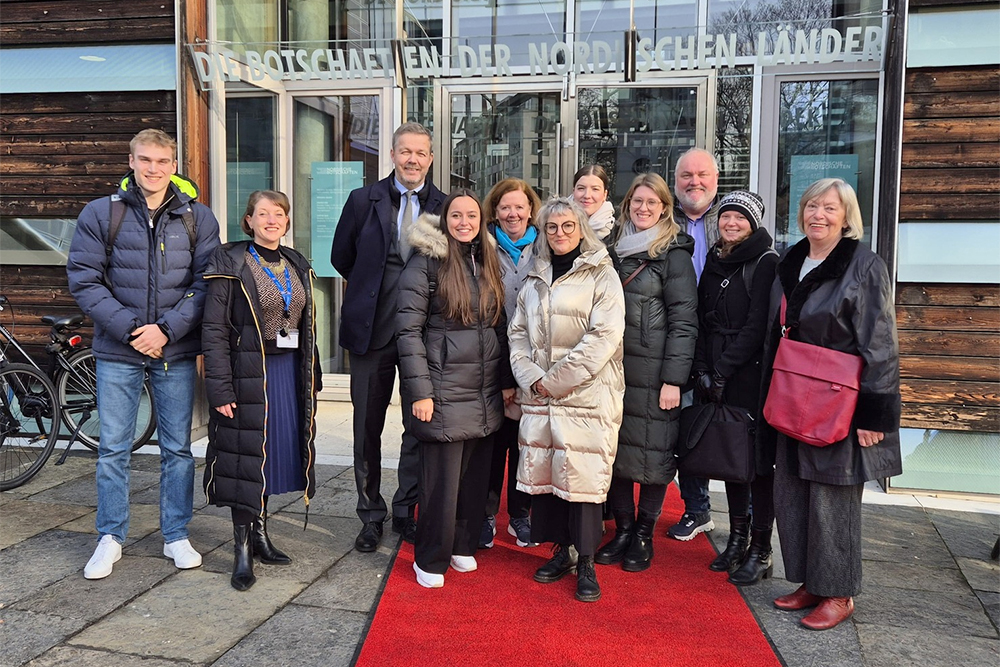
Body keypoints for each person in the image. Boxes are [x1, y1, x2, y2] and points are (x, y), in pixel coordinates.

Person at [67, 128, 220, 579]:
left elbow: (207, 283)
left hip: (174, 350)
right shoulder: (101, 213)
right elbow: (84, 280)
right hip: (118, 350)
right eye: (146, 160)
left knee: (177, 448)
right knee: (113, 447)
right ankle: (110, 537)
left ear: (174, 165)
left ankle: (176, 534)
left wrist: (167, 330)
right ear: (131, 162)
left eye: (162, 161)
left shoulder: (198, 218)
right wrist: (135, 330)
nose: (154, 169)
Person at [762, 178, 900, 630]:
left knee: (833, 498)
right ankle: (811, 581)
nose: (818, 214)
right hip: (794, 392)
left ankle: (838, 593)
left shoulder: (864, 264)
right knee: (795, 491)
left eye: (829, 208)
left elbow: (880, 341)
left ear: (846, 217)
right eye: (811, 206)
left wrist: (874, 414)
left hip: (840, 400)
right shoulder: (793, 258)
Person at [331, 122, 447, 552]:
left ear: (430, 158)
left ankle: (405, 511)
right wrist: (370, 292)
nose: (412, 159)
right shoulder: (364, 200)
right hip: (371, 331)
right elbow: (341, 255)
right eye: (405, 151)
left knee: (418, 426)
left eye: (420, 152)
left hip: (423, 335)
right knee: (366, 428)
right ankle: (370, 514)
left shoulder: (445, 204)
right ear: (393, 155)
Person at [202, 190, 321, 591]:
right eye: (263, 214)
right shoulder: (230, 261)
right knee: (244, 458)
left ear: (287, 221)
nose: (272, 220)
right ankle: (240, 551)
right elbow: (214, 330)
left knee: (268, 458)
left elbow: (306, 326)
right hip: (248, 372)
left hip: (287, 374)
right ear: (248, 220)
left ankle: (261, 535)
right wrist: (219, 389)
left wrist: (313, 376)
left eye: (279, 214)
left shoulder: (295, 263)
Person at [395, 190, 515, 588]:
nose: (464, 222)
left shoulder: (487, 260)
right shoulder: (426, 262)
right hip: (443, 388)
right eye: (456, 215)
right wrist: (421, 392)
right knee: (440, 486)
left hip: (482, 390)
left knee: (474, 480)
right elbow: (408, 332)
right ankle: (430, 558)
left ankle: (462, 546)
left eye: (472, 216)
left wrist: (505, 384)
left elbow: (497, 324)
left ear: (482, 221)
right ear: (444, 219)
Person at [509, 197, 625, 603]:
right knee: (549, 475)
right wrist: (531, 378)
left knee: (584, 480)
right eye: (552, 227)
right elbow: (517, 334)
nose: (560, 234)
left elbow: (603, 339)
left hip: (587, 396)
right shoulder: (534, 275)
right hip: (541, 395)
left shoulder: (601, 274)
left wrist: (553, 382)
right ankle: (563, 551)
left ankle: (587, 560)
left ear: (582, 228)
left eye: (568, 226)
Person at [596, 173, 698, 572]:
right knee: (617, 452)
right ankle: (621, 528)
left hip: (656, 375)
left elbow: (684, 321)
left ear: (664, 208)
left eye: (651, 203)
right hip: (615, 371)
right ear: (627, 205)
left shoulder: (673, 253)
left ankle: (642, 533)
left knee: (654, 456)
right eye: (637, 201)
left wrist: (674, 378)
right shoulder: (612, 251)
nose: (643, 208)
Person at [690, 190, 779, 585]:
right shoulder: (715, 258)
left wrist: (722, 369)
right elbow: (702, 317)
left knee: (756, 464)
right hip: (715, 370)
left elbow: (758, 325)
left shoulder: (766, 262)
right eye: (726, 217)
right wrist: (704, 369)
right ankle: (737, 538)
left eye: (740, 218)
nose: (731, 224)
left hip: (750, 374)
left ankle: (761, 548)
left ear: (753, 223)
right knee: (730, 457)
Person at [479, 178, 542, 549]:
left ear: (531, 209)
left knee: (525, 442)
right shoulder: (482, 246)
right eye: (505, 207)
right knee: (493, 442)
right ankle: (487, 515)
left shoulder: (544, 246)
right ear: (495, 211)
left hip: (533, 358)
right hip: (490, 354)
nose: (512, 213)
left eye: (519, 207)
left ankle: (520, 515)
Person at [667, 147, 721, 542]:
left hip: (721, 342)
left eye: (702, 174)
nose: (694, 182)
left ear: (715, 180)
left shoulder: (732, 221)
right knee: (686, 425)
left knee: (724, 428)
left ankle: (747, 517)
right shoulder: (664, 220)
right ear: (675, 181)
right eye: (686, 175)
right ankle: (696, 508)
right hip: (675, 337)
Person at [572, 165, 615, 240]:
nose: (587, 195)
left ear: (605, 195)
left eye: (595, 189)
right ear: (573, 192)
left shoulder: (617, 233)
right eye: (581, 188)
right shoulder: (555, 226)